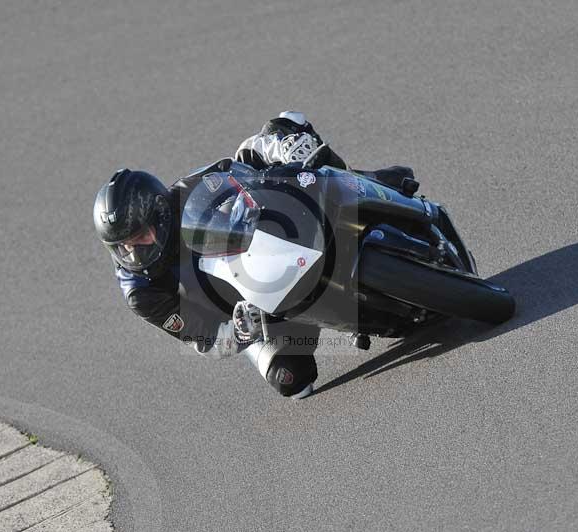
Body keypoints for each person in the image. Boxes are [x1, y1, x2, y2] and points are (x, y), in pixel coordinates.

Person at [93, 112, 415, 399]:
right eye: (126, 245)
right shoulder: (142, 292)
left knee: (286, 125)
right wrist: (241, 329)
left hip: (278, 240)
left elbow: (244, 160)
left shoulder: (186, 191)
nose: (139, 248)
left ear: (159, 211)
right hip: (256, 311)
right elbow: (203, 339)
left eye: (143, 233)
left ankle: (367, 184)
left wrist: (284, 148)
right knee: (291, 380)